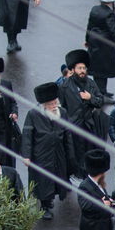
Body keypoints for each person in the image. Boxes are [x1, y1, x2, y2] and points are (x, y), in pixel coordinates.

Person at [22, 80, 75, 220]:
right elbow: (27, 135)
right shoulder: (33, 114)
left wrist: (71, 155)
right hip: (41, 155)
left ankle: (49, 199)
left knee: (56, 178)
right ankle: (45, 206)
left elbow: (67, 134)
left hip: (58, 154)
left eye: (55, 103)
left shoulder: (62, 113)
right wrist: (26, 156)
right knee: (43, 181)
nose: (53, 106)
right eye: (50, 104)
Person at [78, 149, 115, 230]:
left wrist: (110, 200)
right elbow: (85, 205)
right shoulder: (84, 186)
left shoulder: (99, 184)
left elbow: (102, 197)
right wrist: (102, 204)